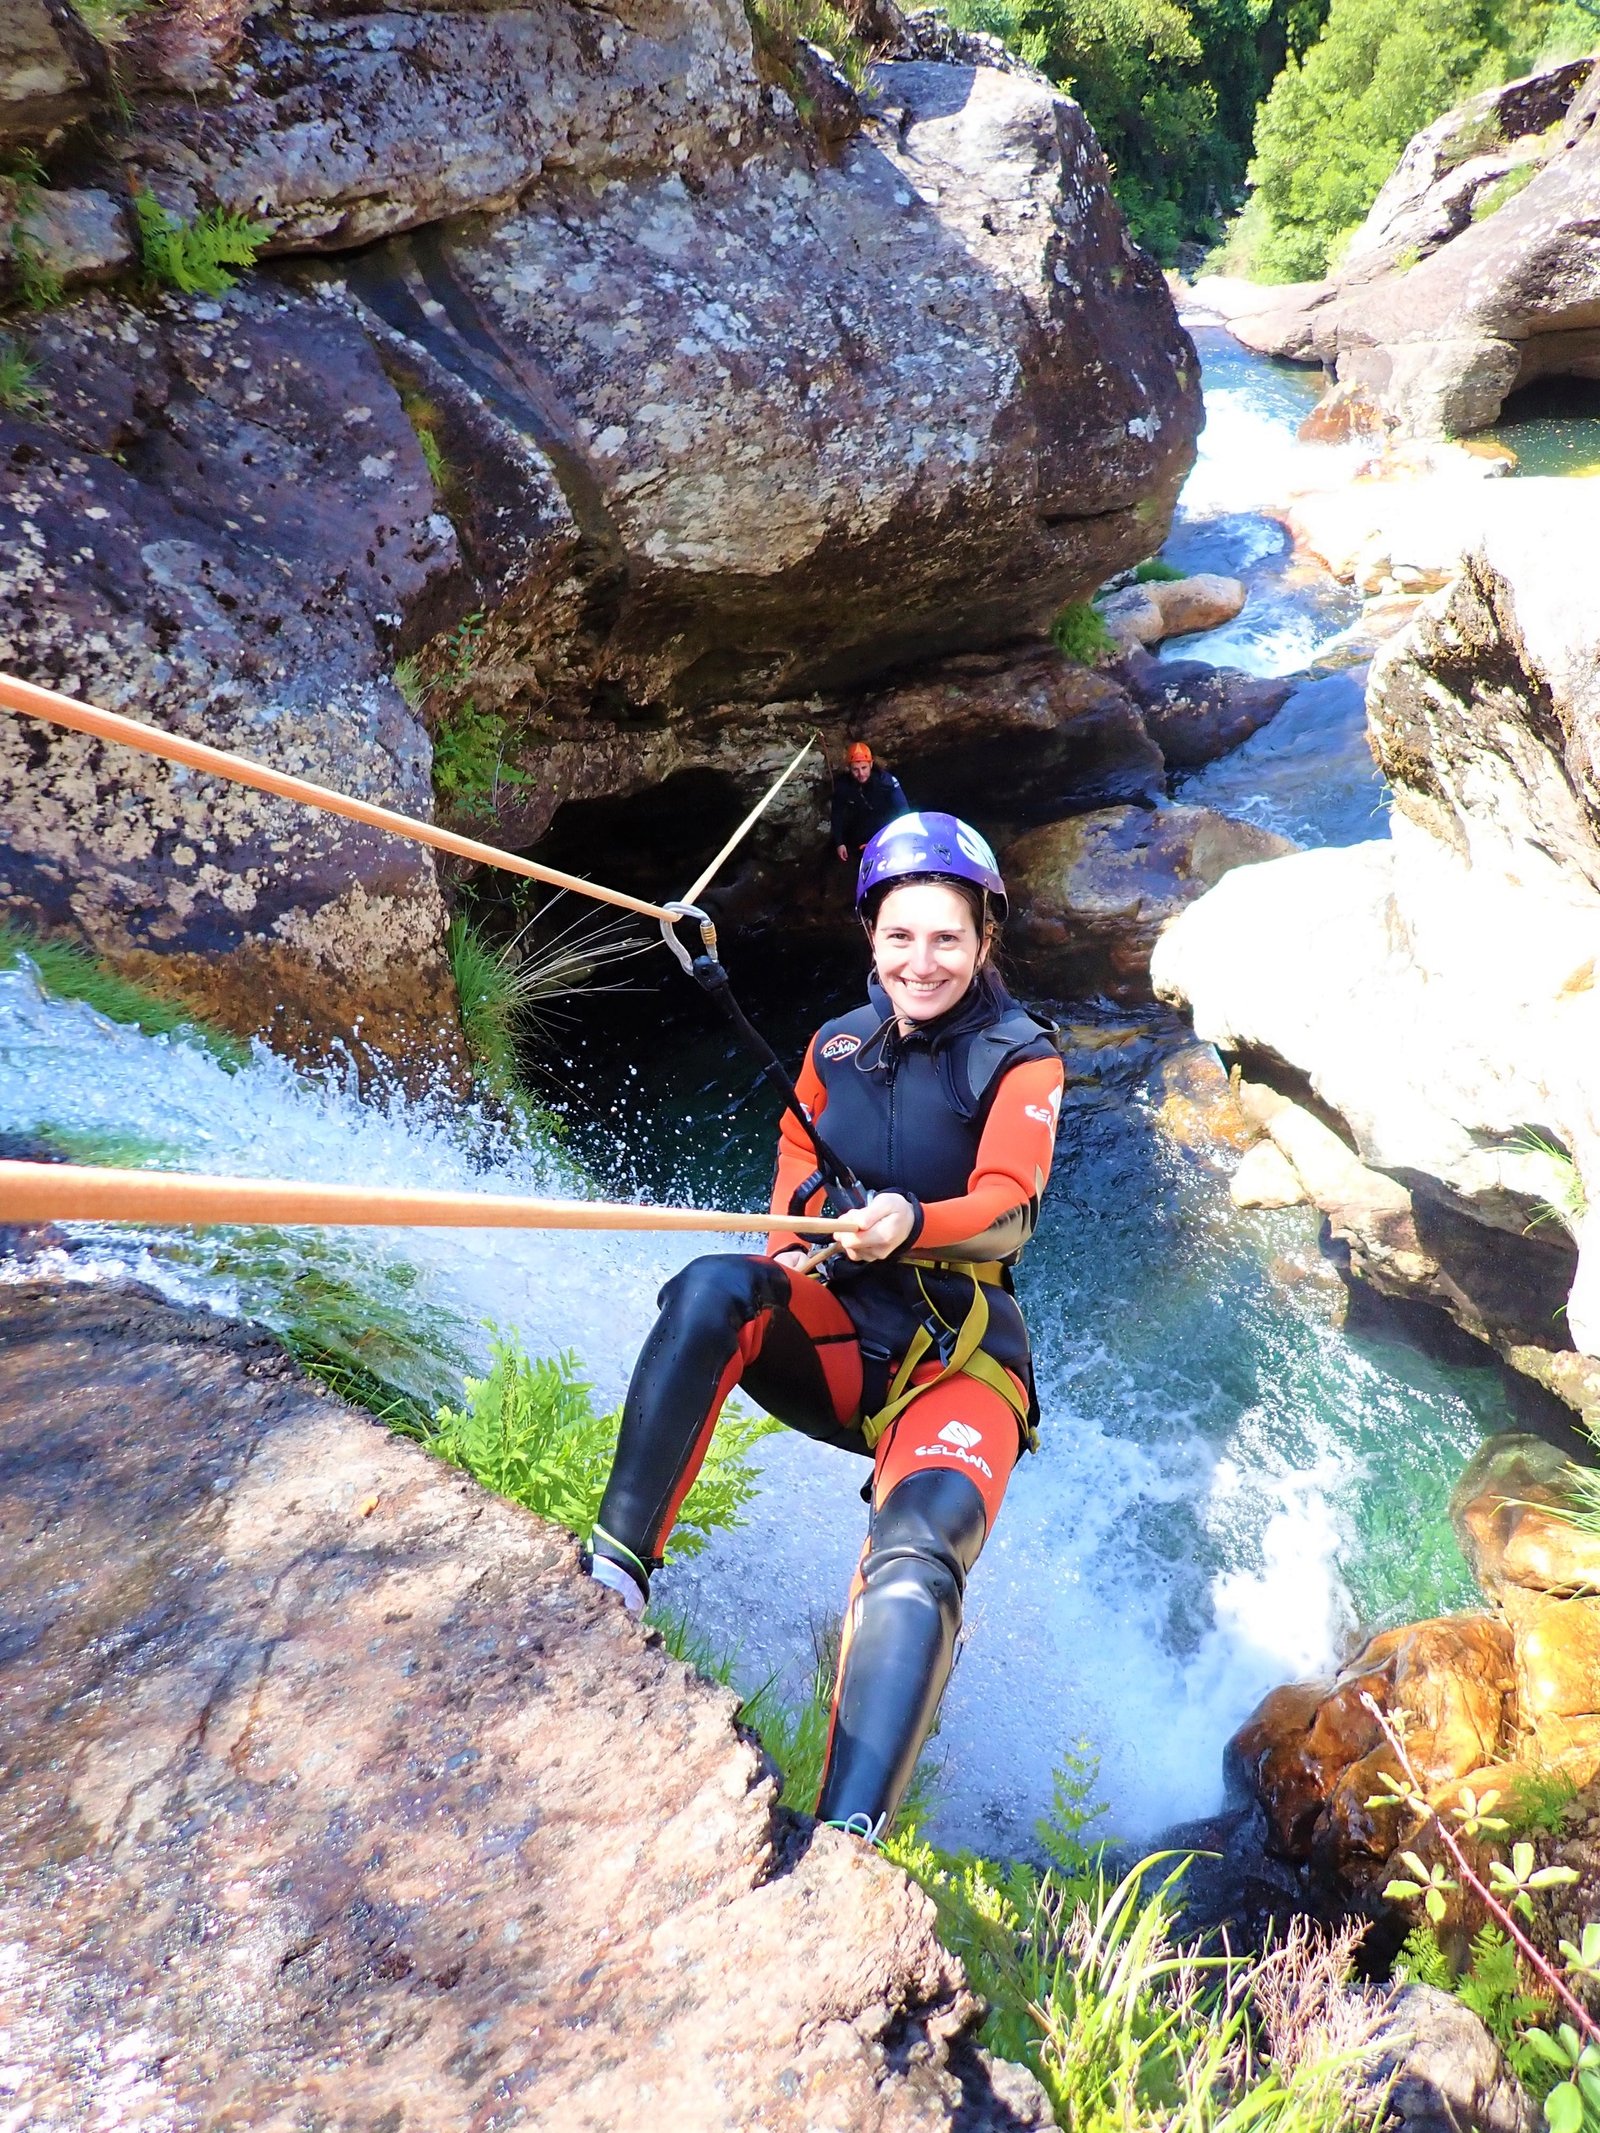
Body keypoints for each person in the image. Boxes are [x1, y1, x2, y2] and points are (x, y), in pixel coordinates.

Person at [585, 813, 1064, 1840]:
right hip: (839, 1343)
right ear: (870, 941)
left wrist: (910, 1221)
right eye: (900, 937)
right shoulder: (834, 1050)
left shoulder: (1018, 1059)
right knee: (715, 1286)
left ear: (984, 941)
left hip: (956, 1365)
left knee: (917, 1552)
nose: (920, 961)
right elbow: (787, 1193)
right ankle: (612, 1578)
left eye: (945, 939)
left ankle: (849, 1833)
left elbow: (1010, 1206)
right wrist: (801, 1243)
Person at [831, 741, 909, 865]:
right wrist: (839, 843)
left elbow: (903, 809)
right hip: (862, 833)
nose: (861, 774)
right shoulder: (844, 787)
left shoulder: (886, 781)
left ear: (871, 764)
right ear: (849, 768)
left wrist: (903, 835)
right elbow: (837, 814)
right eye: (855, 770)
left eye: (864, 768)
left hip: (887, 828)